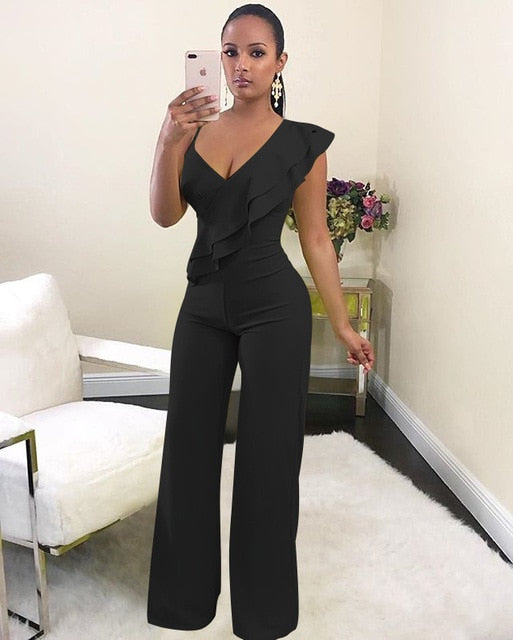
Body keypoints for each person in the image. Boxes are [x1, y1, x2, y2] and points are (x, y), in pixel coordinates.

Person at [147, 4, 375, 639]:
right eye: (230, 51)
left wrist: (344, 326)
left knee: (269, 461)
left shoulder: (302, 144)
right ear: (218, 59)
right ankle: (184, 605)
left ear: (279, 62)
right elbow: (165, 215)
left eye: (255, 52)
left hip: (275, 308)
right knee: (187, 451)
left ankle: (264, 616)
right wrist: (166, 140)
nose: (240, 64)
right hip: (203, 306)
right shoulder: (191, 129)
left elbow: (317, 241)